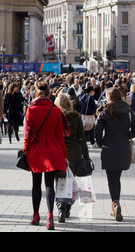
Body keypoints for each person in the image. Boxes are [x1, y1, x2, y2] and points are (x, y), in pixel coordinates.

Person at [22, 80, 68, 230]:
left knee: (36, 184)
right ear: (49, 94)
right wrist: (64, 155)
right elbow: (60, 135)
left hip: (36, 150)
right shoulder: (56, 111)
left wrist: (25, 149)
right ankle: (50, 215)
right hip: (52, 150)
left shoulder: (30, 110)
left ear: (36, 93)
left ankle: (35, 215)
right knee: (49, 184)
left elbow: (27, 134)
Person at [95, 87, 135, 221]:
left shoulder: (105, 111)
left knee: (111, 179)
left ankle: (115, 203)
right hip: (123, 147)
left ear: (110, 97)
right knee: (117, 178)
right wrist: (127, 136)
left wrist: (100, 142)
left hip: (109, 146)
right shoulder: (128, 110)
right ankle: (116, 203)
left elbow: (97, 130)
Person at [54, 93, 89, 223]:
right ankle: (67, 207)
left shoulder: (56, 116)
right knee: (70, 181)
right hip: (74, 153)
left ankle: (61, 208)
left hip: (59, 153)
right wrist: (86, 155)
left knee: (60, 181)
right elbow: (82, 138)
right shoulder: (76, 117)